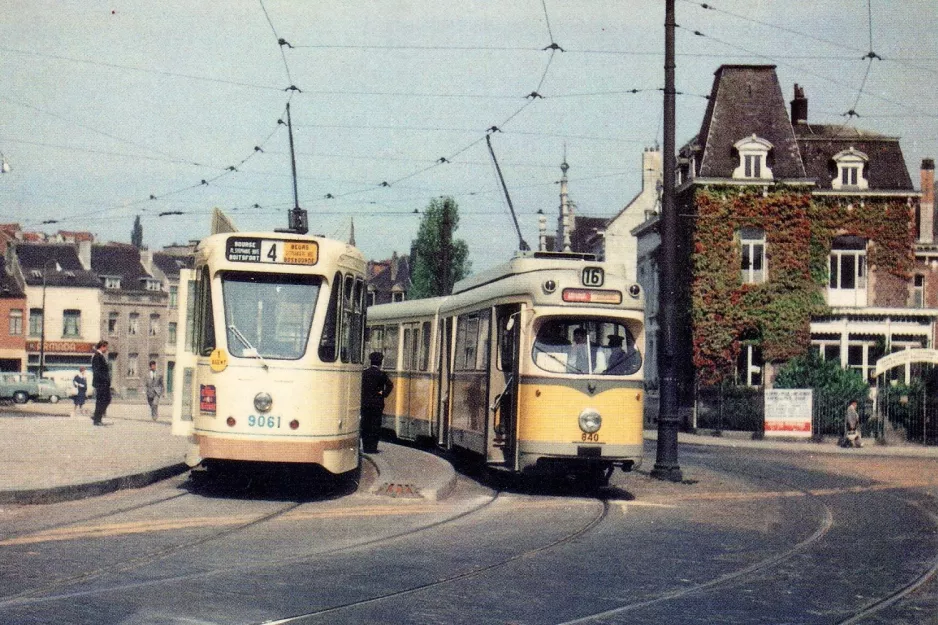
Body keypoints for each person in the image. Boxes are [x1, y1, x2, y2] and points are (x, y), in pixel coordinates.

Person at [361, 351, 393, 454]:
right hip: (377, 404)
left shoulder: (364, 373)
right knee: (375, 426)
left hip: (365, 403)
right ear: (380, 362)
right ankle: (373, 448)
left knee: (365, 425)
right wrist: (383, 393)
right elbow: (390, 385)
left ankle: (366, 447)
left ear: (371, 361)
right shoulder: (381, 374)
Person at [91, 340, 111, 426]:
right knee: (102, 400)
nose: (106, 349)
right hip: (101, 383)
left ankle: (97, 417)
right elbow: (97, 371)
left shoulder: (100, 356)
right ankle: (97, 419)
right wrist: (104, 380)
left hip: (103, 383)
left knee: (105, 399)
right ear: (102, 346)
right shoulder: (97, 356)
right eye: (106, 347)